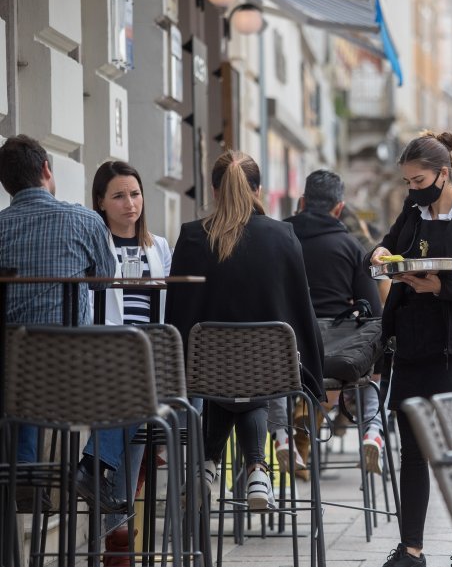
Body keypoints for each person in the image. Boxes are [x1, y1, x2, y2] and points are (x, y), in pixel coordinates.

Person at [366, 131, 452, 567]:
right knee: (413, 454)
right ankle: (411, 550)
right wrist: (382, 255)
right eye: (407, 182)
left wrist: (440, 285)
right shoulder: (413, 210)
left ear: (444, 174)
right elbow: (388, 245)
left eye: (418, 181)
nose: (412, 190)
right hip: (412, 346)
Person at [165, 150, 324, 512]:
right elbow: (300, 308)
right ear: (259, 189)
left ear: (214, 190)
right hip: (269, 374)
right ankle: (256, 467)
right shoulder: (283, 236)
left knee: (227, 375)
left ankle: (207, 465)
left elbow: (178, 315)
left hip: (204, 374)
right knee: (250, 374)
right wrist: (314, 369)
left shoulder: (191, 237)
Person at [0, 135, 117, 512]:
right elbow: (105, 276)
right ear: (47, 170)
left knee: (22, 361)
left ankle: (25, 479)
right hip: (70, 365)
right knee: (128, 372)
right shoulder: (83, 220)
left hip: (10, 364)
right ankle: (90, 471)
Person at [84, 161, 173, 563]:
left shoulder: (161, 247)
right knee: (138, 407)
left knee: (140, 394)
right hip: (106, 355)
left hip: (151, 355)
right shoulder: (93, 246)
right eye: (118, 196)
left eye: (135, 194)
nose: (130, 203)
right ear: (101, 202)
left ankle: (112, 510)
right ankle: (118, 523)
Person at [285, 170, 388, 476]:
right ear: (339, 208)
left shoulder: (279, 237)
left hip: (283, 356)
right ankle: (372, 429)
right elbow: (372, 311)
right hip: (335, 358)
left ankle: (285, 436)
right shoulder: (350, 246)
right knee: (371, 367)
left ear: (302, 201)